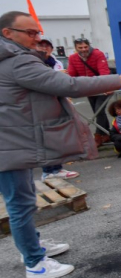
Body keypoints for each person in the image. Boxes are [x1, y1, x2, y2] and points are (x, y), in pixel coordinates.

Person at [0, 11, 121, 278]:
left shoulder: (12, 59)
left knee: (24, 200)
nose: (38, 38)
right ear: (8, 33)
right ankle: (35, 263)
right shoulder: (16, 62)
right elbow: (69, 85)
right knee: (20, 203)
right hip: (9, 144)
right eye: (30, 33)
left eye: (38, 32)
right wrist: (118, 79)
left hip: (13, 140)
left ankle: (32, 245)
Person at [35, 37, 78, 180]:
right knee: (45, 139)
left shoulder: (55, 62)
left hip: (57, 102)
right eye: (41, 46)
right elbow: (45, 81)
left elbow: (64, 82)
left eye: (47, 46)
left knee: (57, 138)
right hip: (41, 106)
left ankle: (57, 168)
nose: (44, 49)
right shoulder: (34, 63)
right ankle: (47, 171)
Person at [67, 38, 112, 147]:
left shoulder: (98, 54)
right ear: (76, 48)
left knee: (98, 111)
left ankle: (98, 136)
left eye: (85, 47)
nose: (83, 50)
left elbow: (104, 72)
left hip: (103, 88)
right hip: (89, 90)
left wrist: (106, 86)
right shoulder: (73, 58)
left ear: (89, 46)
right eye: (80, 48)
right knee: (98, 112)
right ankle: (107, 134)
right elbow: (72, 74)